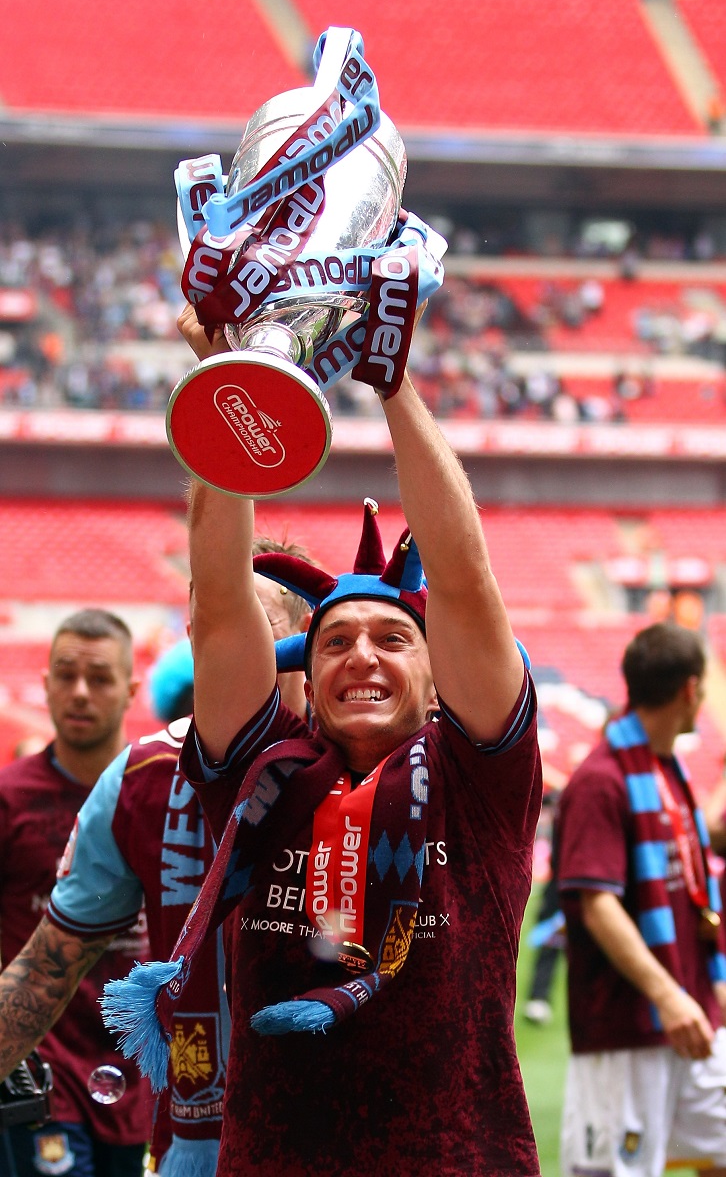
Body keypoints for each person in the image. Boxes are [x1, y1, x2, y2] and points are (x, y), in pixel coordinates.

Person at [103, 303, 543, 1177]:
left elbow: (463, 578)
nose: (361, 657)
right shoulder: (265, 774)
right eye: (336, 641)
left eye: (392, 639)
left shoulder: (479, 777)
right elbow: (222, 602)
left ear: (435, 675)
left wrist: (394, 382)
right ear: (306, 671)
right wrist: (233, 380)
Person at [0, 554, 313, 1177]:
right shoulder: (137, 779)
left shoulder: (370, 764)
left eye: (256, 625)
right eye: (215, 623)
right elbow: (43, 967)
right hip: (179, 1128)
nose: (234, 643)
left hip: (339, 1131)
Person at [557, 621, 726, 1177]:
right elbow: (597, 903)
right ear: (690, 690)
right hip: (630, 1025)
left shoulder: (664, 770)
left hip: (691, 1017)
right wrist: (669, 995)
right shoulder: (601, 780)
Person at [0, 608, 153, 1177]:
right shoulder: (9, 799)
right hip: (43, 1075)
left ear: (130, 689)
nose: (80, 692)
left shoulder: (161, 789)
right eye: (65, 675)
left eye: (100, 678)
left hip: (143, 1075)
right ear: (44, 684)